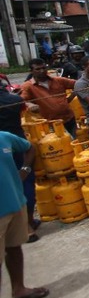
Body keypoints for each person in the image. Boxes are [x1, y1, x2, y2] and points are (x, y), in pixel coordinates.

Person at [0, 130, 50, 298]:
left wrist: (25, 169)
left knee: (15, 248)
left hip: (16, 203)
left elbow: (29, 148)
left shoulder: (4, 137)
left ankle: (18, 288)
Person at [0, 83, 39, 242]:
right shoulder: (14, 99)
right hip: (18, 143)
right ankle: (28, 223)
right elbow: (28, 110)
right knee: (26, 182)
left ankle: (26, 227)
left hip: (4, 147)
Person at [20, 59, 78, 137]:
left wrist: (70, 98)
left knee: (75, 142)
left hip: (69, 119)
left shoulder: (58, 80)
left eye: (44, 68)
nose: (42, 71)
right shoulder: (27, 86)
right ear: (31, 71)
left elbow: (79, 84)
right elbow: (20, 100)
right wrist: (29, 104)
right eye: (38, 69)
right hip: (49, 124)